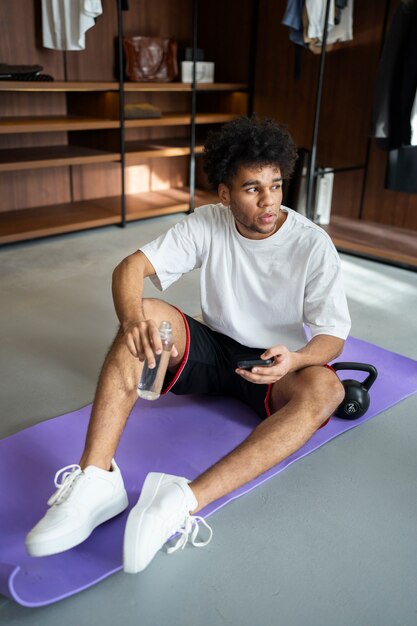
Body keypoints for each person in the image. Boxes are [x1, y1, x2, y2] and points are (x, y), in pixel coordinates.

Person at [25, 115, 351, 573]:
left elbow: (333, 336)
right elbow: (130, 268)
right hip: (213, 348)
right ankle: (97, 479)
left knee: (328, 392)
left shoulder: (313, 245)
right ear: (224, 193)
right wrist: (133, 319)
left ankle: (178, 502)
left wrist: (295, 358)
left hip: (276, 367)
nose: (268, 201)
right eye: (252, 188)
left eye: (275, 185)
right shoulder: (208, 222)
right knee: (147, 314)